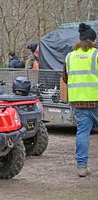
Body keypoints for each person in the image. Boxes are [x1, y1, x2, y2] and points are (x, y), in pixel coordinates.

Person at [62, 23, 98, 177]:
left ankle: (82, 167)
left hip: (79, 103)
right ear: (93, 41)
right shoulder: (96, 54)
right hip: (96, 100)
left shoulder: (69, 56)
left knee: (82, 134)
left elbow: (65, 78)